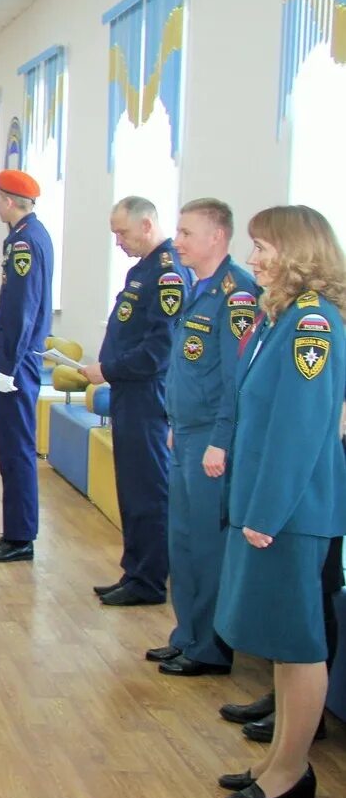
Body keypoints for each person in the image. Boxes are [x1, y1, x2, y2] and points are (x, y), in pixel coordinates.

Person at [211, 205, 346, 798]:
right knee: (283, 646)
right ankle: (279, 761)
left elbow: (298, 429)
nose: (255, 257)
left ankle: (291, 771)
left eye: (263, 247)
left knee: (298, 645)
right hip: (270, 506)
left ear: (298, 252)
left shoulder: (313, 324)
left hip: (292, 510)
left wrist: (264, 513)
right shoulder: (281, 317)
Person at [149, 198, 255, 677]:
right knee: (184, 541)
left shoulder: (237, 296)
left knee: (207, 547)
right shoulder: (199, 288)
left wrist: (219, 440)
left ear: (217, 237)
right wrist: (175, 424)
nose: (177, 241)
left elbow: (236, 380)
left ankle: (210, 648)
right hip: (186, 433)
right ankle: (187, 634)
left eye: (187, 233)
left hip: (212, 440)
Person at [81, 196, 190, 606]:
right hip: (130, 392)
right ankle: (134, 570)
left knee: (148, 490)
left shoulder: (167, 275)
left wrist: (107, 370)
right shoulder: (143, 271)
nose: (118, 242)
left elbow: (159, 350)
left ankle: (148, 581)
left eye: (122, 232)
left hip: (148, 396)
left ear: (147, 226)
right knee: (131, 488)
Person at [0, 169, 53, 564]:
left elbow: (23, 309)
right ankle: (15, 529)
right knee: (10, 447)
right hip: (15, 357)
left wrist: (11, 364)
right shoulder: (27, 236)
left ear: (8, 201)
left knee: (17, 448)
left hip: (17, 362)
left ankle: (21, 536)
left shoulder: (25, 243)